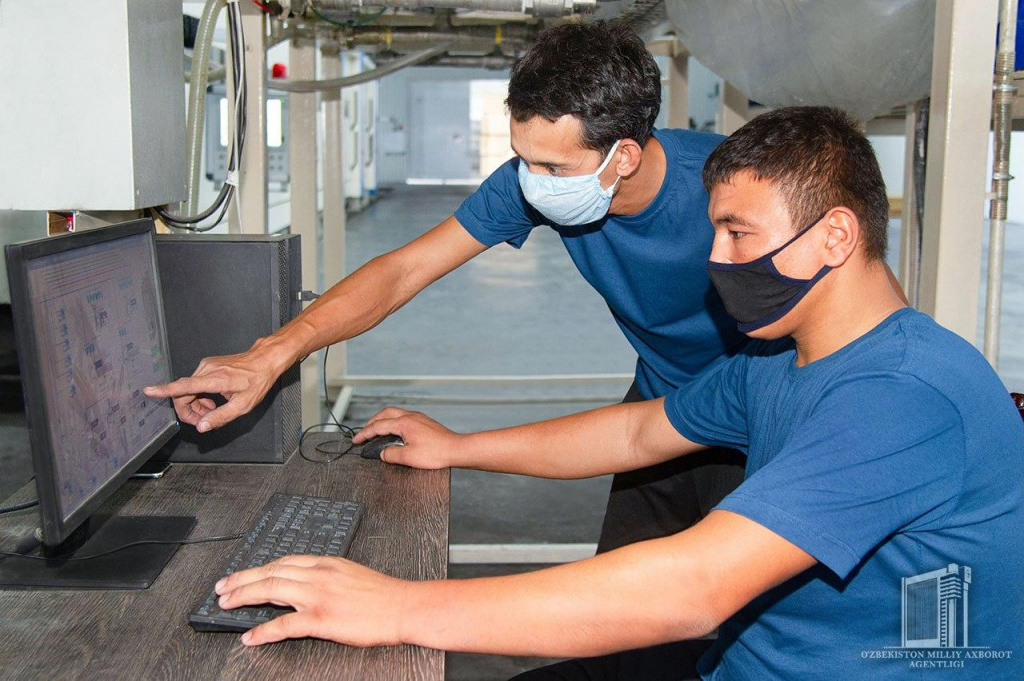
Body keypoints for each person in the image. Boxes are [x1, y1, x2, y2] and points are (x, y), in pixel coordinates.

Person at [212, 107, 1023, 679]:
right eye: (714, 229)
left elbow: (692, 588)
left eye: (739, 232)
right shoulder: (779, 361)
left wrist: (400, 607)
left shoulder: (904, 395)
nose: (717, 256)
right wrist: (461, 447)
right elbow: (637, 435)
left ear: (837, 236)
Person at [146, 22, 751, 554]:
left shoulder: (735, 189)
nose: (532, 183)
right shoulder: (529, 181)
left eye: (554, 170)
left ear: (623, 157)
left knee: (750, 618)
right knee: (626, 611)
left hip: (760, 410)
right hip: (657, 398)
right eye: (522, 158)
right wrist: (271, 354)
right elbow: (402, 270)